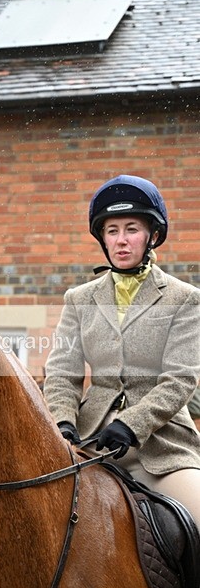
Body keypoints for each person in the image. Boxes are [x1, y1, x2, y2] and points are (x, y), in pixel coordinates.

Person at [43, 174, 200, 528]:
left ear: (152, 236)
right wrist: (63, 422)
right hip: (89, 444)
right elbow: (62, 374)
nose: (121, 240)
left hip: (162, 449)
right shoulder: (79, 300)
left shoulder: (184, 299)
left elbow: (180, 379)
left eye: (131, 229)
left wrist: (132, 424)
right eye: (112, 231)